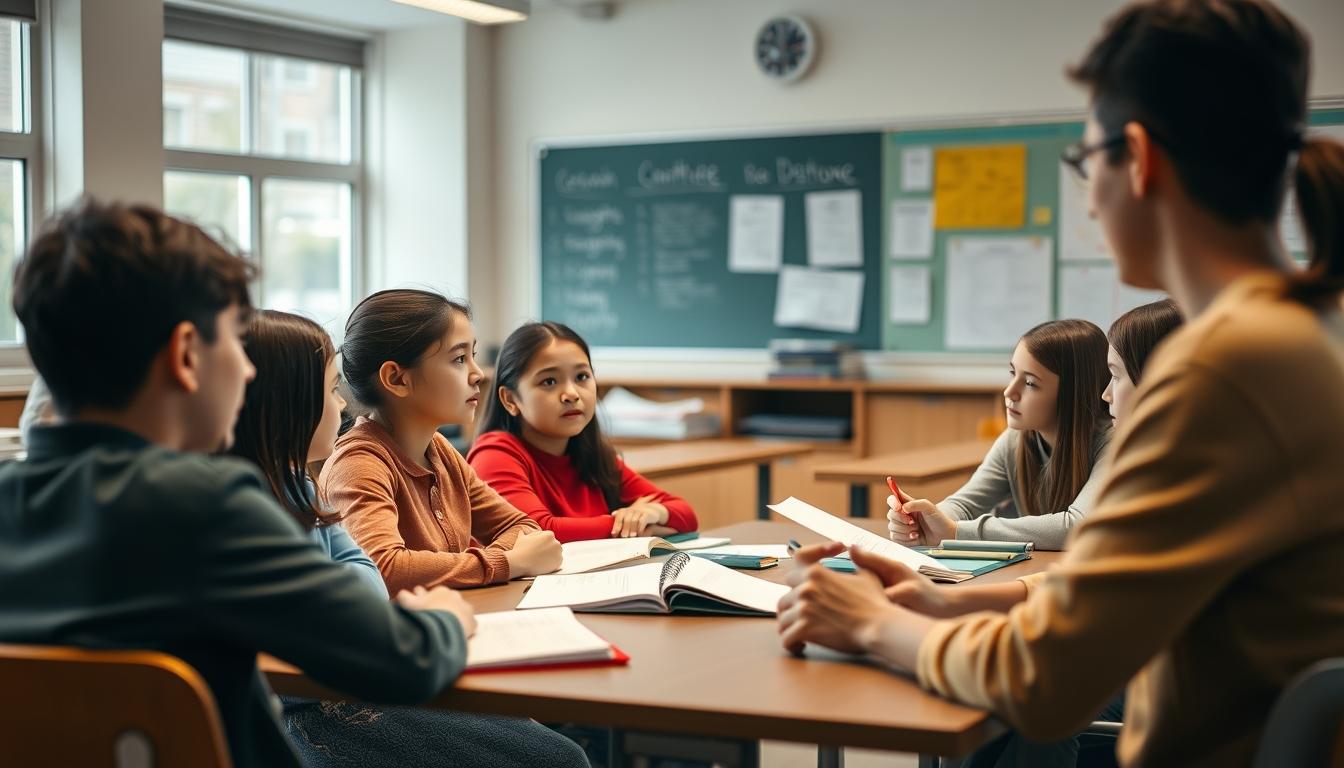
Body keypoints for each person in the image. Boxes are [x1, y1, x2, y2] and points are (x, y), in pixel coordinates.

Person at [777, 1, 1344, 764]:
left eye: (1083, 163)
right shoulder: (1301, 336)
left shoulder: (1224, 371)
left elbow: (1044, 679)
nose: (1085, 196)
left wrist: (872, 624)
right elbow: (1119, 594)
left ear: (1137, 159)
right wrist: (946, 602)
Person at [0, 199, 473, 768]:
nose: (247, 370)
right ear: (185, 355)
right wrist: (445, 619)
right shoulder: (206, 504)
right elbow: (403, 660)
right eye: (232, 339)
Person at [230, 309, 588, 768]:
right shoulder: (337, 471)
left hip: (372, 668)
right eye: (329, 390)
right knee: (560, 758)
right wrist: (504, 563)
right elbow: (381, 572)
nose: (341, 406)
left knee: (549, 743)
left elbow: (363, 580)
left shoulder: (304, 486)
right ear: (286, 404)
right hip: (321, 704)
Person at [320, 289, 562, 592]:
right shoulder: (357, 465)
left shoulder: (439, 450)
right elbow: (384, 568)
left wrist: (506, 558)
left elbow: (523, 527)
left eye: (472, 356)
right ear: (397, 378)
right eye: (459, 359)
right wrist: (509, 563)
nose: (477, 375)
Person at [888, 319, 1111, 550]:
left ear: (1072, 393)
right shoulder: (1015, 441)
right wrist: (925, 520)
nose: (1009, 391)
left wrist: (957, 532)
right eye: (1013, 373)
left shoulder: (1114, 444)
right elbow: (964, 505)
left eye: (1031, 383)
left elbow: (1077, 527)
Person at [468, 321, 698, 542]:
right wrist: (628, 528)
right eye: (549, 381)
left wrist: (653, 513)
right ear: (510, 399)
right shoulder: (494, 453)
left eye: (582, 377)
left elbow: (686, 514)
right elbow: (536, 531)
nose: (571, 393)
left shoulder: (593, 455)